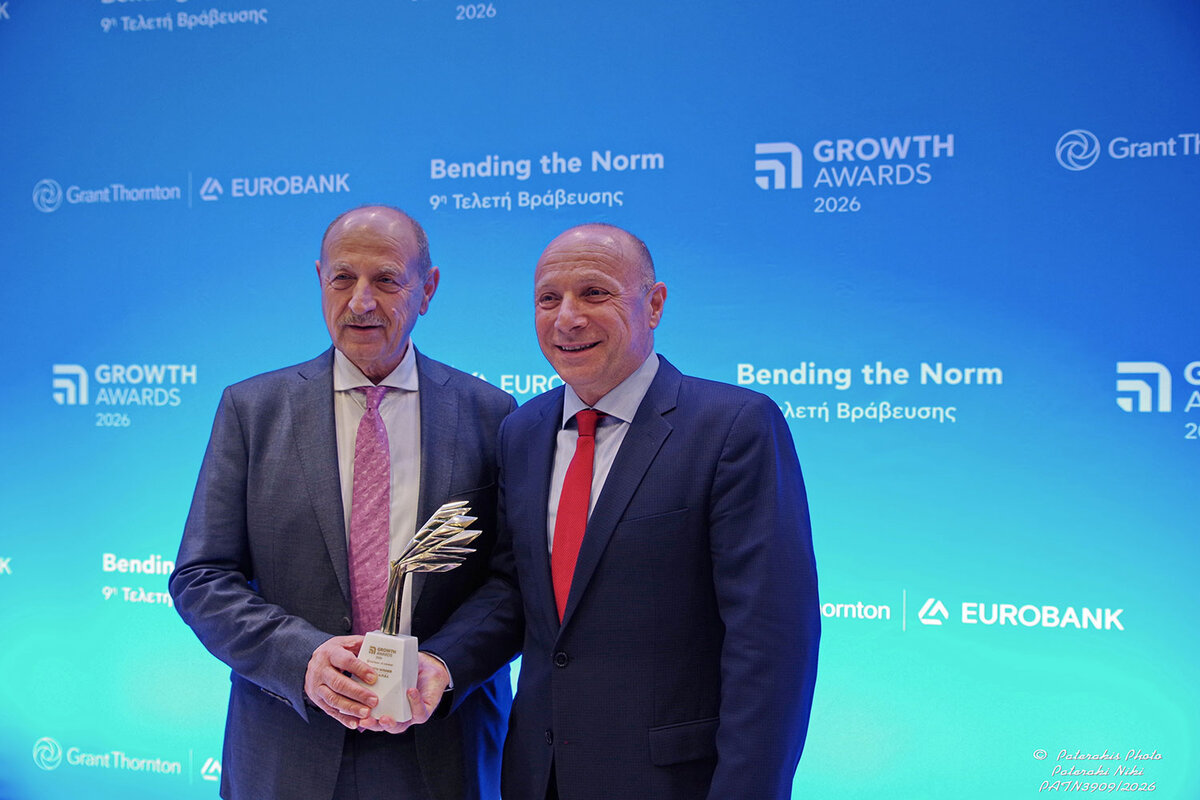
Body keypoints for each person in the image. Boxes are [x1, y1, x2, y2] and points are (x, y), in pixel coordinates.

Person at [405, 223, 820, 799]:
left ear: (654, 304)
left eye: (594, 293)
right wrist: (443, 663)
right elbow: (515, 590)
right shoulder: (522, 431)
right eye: (548, 299)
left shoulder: (733, 427)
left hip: (673, 783)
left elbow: (770, 644)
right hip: (537, 778)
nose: (567, 318)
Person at [169, 206, 514, 800]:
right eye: (343, 278)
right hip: (287, 743)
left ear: (428, 288)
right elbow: (201, 577)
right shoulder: (251, 411)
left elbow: (510, 583)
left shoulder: (491, 413)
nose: (361, 301)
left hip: (440, 746)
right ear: (319, 280)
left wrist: (445, 663)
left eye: (386, 279)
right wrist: (302, 658)